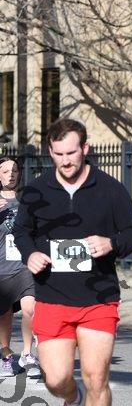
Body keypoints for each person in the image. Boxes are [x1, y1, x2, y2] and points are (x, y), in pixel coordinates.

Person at [14, 118, 132, 406]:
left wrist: (111, 243)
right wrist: (30, 253)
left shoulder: (110, 189)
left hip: (98, 298)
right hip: (52, 296)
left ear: (85, 148)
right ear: (50, 152)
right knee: (56, 378)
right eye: (58, 154)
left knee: (96, 376)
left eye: (71, 153)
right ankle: (72, 400)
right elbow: (21, 231)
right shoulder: (37, 190)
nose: (65, 160)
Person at [0, 157, 40, 377]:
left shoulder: (28, 200)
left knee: (30, 309)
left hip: (25, 265)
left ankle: (27, 354)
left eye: (14, 170)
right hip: (2, 267)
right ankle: (6, 356)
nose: (11, 175)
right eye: (5, 171)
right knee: (4, 314)